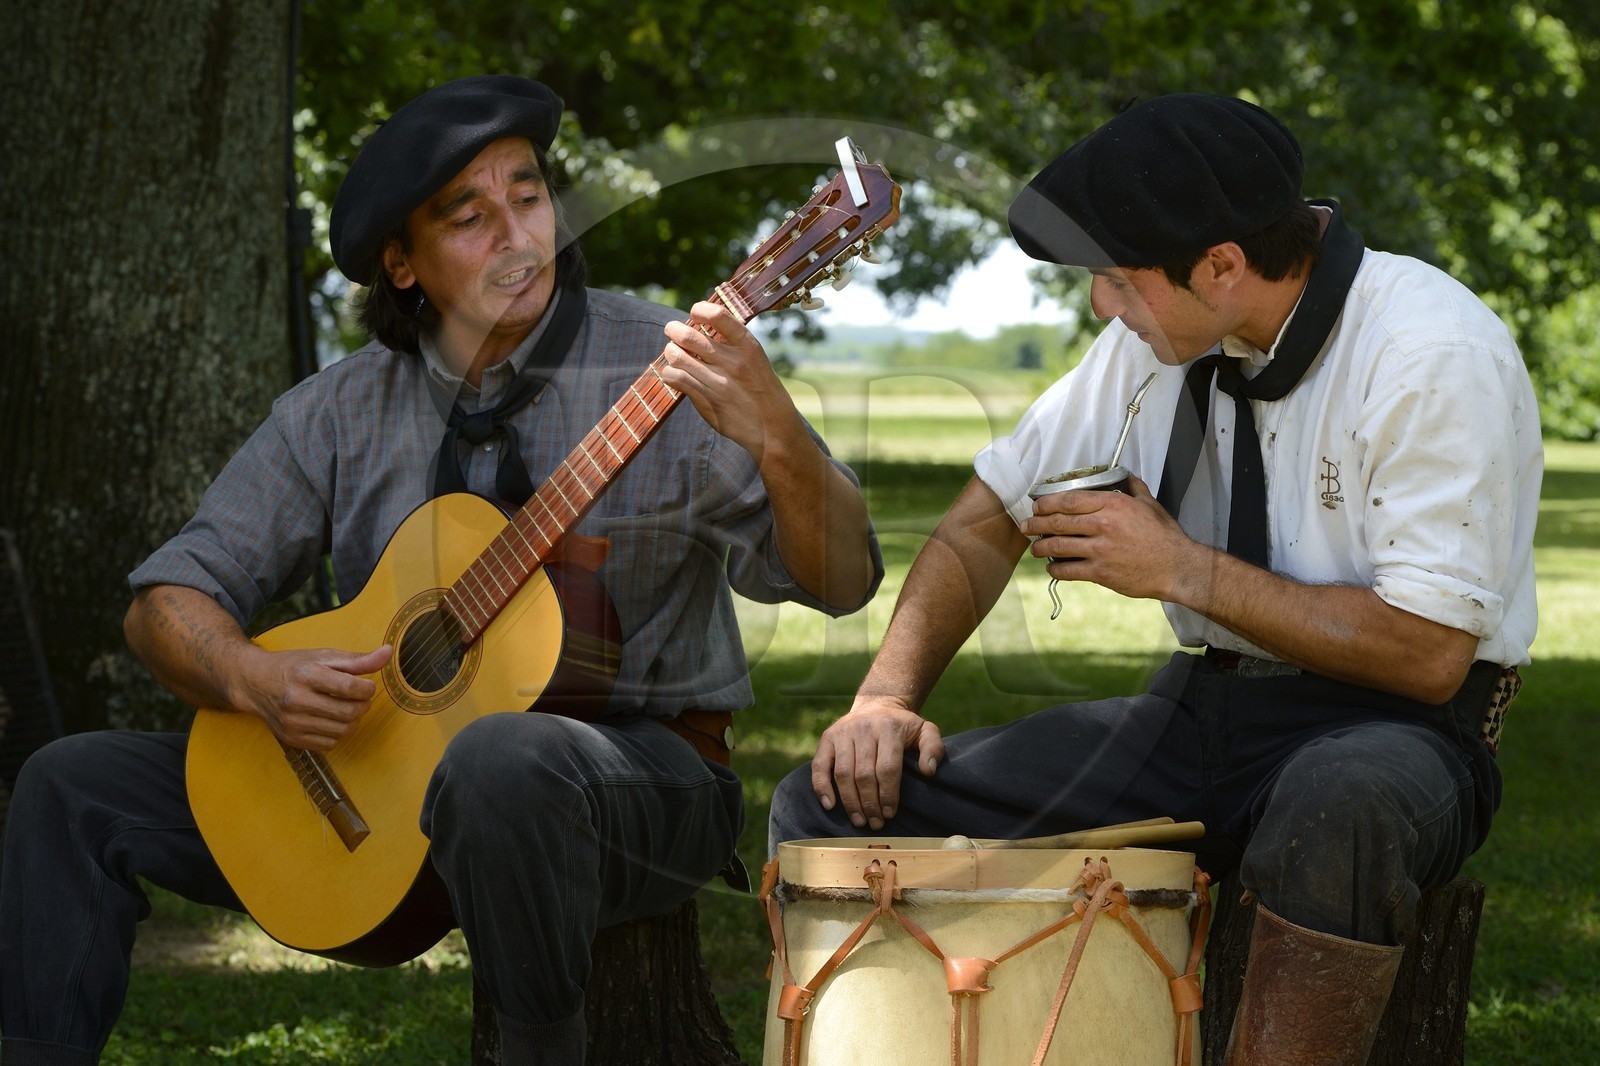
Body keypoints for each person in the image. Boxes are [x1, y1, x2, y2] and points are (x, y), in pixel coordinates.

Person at [0, 75, 882, 1065]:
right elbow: (166, 603)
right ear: (403, 264)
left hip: (642, 781)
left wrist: (779, 436)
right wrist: (254, 678)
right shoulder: (337, 411)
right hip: (381, 783)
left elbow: (842, 580)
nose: (517, 235)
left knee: (499, 758)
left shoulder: (671, 365)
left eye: (528, 194)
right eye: (469, 217)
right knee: (68, 783)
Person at [769, 93, 1539, 1064]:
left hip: (1399, 732)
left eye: (1119, 281)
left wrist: (1180, 567)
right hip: (1200, 720)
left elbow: (1428, 653)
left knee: (1337, 806)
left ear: (1222, 264)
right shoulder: (1154, 340)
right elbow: (984, 520)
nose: (1101, 305)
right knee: (835, 804)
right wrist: (883, 699)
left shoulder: (1429, 350)